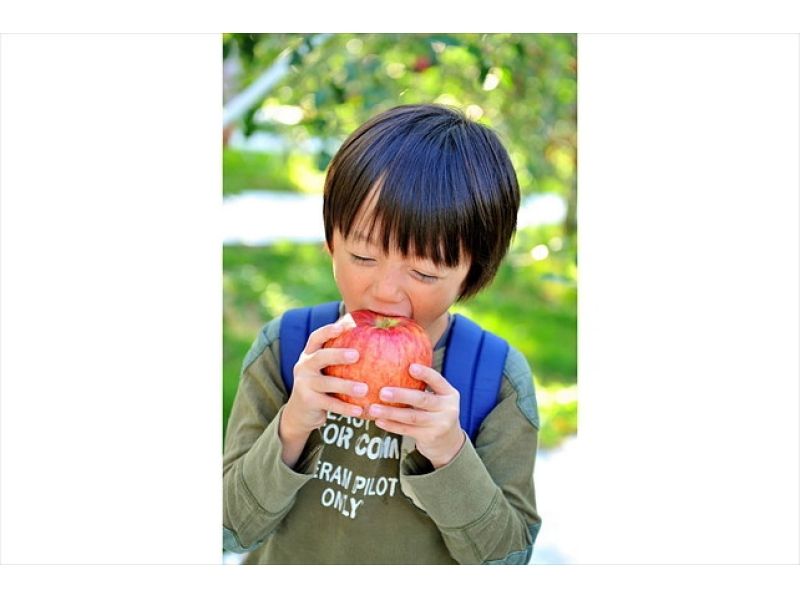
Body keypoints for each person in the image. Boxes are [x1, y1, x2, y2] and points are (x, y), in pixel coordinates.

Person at [223, 103, 542, 564]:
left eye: (424, 273)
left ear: (473, 276)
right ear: (331, 242)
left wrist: (450, 453)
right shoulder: (287, 351)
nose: (385, 293)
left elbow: (506, 559)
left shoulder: (494, 381)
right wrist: (291, 426)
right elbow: (229, 530)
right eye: (363, 258)